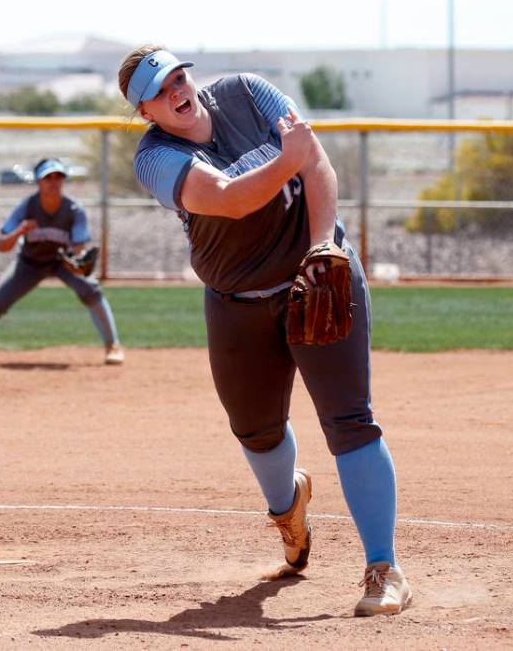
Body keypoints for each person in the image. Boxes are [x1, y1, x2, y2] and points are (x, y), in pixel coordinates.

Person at [117, 45, 410, 616]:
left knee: (350, 420)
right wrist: (287, 158)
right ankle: (289, 506)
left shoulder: (247, 92)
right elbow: (228, 201)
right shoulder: (154, 157)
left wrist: (324, 245)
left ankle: (383, 568)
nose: (178, 90)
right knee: (255, 430)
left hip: (316, 278)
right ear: (145, 112)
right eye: (160, 90)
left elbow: (316, 164)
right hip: (237, 303)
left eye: (179, 76)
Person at [0, 158, 124, 365]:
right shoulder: (27, 207)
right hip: (30, 263)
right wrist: (19, 231)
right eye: (48, 177)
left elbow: (78, 245)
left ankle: (113, 346)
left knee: (91, 291)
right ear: (38, 181)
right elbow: (2, 246)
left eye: (58, 177)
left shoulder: (74, 210)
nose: (54, 182)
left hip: (61, 262)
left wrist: (76, 259)